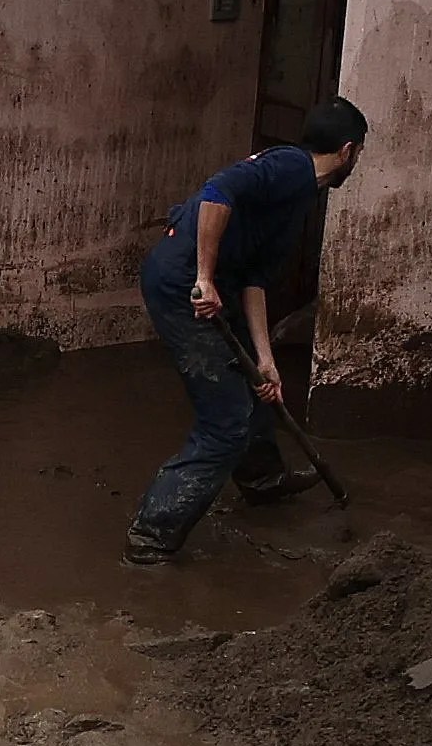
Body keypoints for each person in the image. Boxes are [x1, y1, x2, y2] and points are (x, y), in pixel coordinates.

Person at [125, 99, 366, 568]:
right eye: (358, 155)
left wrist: (266, 358)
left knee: (255, 388)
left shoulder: (301, 196)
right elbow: (217, 192)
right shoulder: (288, 167)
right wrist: (204, 277)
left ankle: (262, 481)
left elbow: (255, 279)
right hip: (181, 287)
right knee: (226, 422)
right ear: (348, 151)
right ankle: (151, 536)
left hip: (221, 285)